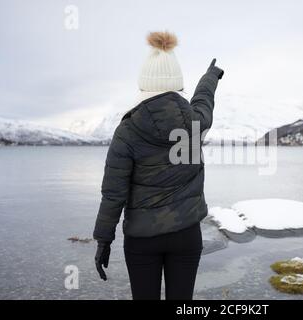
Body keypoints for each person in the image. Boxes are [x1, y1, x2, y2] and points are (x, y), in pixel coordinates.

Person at [93, 31, 224, 300]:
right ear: (176, 83)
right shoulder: (195, 122)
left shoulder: (126, 131)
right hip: (186, 234)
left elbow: (113, 194)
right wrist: (210, 78)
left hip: (142, 240)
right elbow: (203, 101)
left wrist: (103, 239)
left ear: (144, 83)